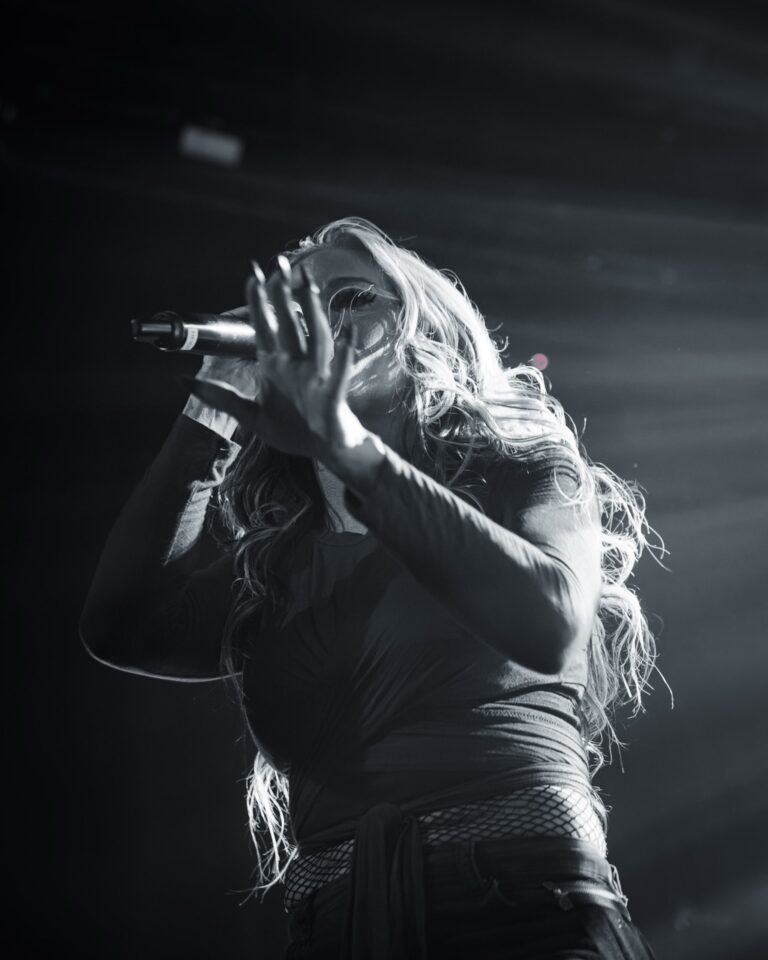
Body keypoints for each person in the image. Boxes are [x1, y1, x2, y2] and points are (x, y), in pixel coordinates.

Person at [80, 217, 665, 958]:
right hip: (337, 931)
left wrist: (346, 446)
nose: (322, 323)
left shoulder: (520, 471)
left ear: (426, 330)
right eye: (299, 310)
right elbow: (122, 625)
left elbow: (548, 623)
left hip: (520, 910)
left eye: (353, 298)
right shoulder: (276, 559)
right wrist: (215, 405)